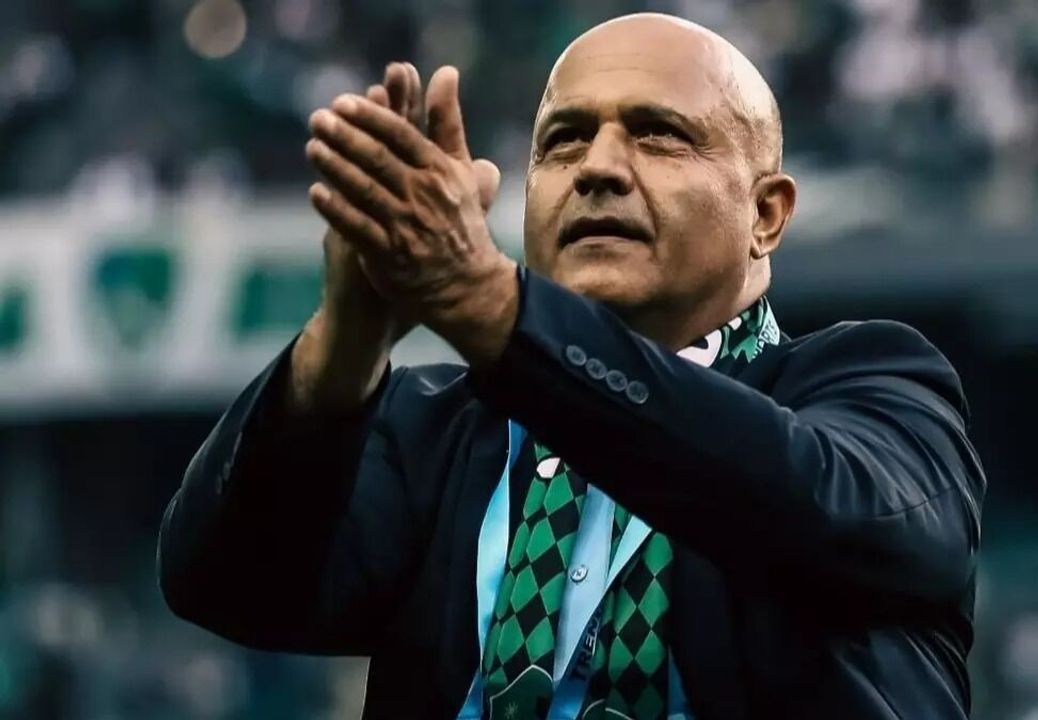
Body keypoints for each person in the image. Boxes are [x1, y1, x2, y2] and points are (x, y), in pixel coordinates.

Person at [158, 12, 986, 720]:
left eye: (658, 135)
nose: (597, 167)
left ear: (765, 214)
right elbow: (221, 581)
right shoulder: (435, 429)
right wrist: (347, 336)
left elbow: (808, 499)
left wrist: (493, 308)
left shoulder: (876, 386)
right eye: (564, 140)